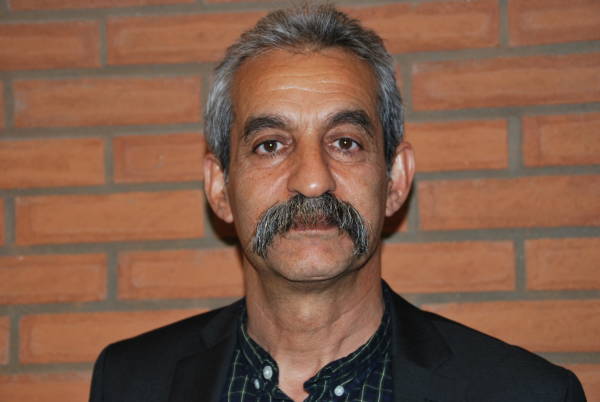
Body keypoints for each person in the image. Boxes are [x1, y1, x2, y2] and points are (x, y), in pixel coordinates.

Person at [89, 3, 586, 402]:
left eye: (345, 142)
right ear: (220, 188)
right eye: (270, 145)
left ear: (395, 179)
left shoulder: (528, 393)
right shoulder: (130, 382)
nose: (312, 181)